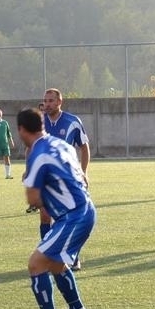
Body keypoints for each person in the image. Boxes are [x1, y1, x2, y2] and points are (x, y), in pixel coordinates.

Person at [16, 107, 96, 309]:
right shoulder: (61, 144)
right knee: (56, 264)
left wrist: (36, 186)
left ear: (21, 130)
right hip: (83, 210)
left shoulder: (37, 153)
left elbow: (33, 198)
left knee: (36, 263)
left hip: (73, 216)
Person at [41, 88, 90, 270]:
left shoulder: (72, 122)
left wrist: (84, 171)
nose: (47, 104)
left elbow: (84, 147)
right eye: (45, 101)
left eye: (51, 101)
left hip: (69, 179)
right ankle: (47, 257)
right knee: (45, 216)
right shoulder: (40, 122)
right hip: (46, 178)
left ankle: (73, 256)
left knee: (71, 218)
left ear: (59, 102)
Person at [25, 102, 45, 214]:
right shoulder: (36, 128)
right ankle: (33, 205)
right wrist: (28, 165)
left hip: (47, 162)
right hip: (37, 161)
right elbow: (29, 147)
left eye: (44, 110)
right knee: (33, 183)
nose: (43, 112)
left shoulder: (50, 126)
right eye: (40, 110)